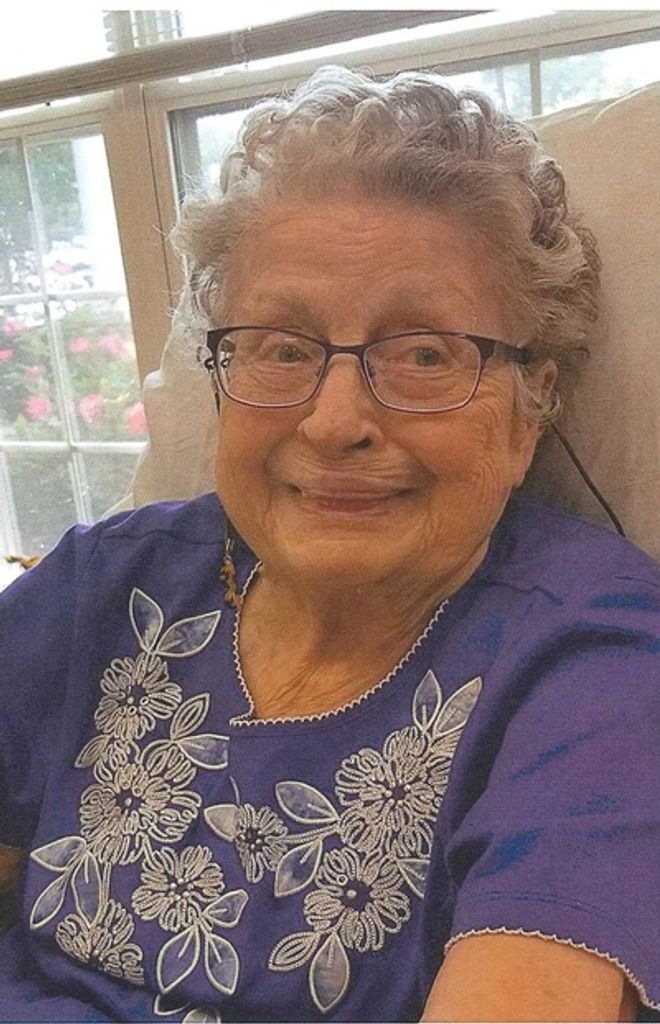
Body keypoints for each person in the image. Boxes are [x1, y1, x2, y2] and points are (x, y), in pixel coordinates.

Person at [0, 65, 658, 1023]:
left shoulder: (598, 663)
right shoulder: (109, 581)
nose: (335, 420)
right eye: (282, 348)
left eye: (425, 353)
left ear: (533, 404)